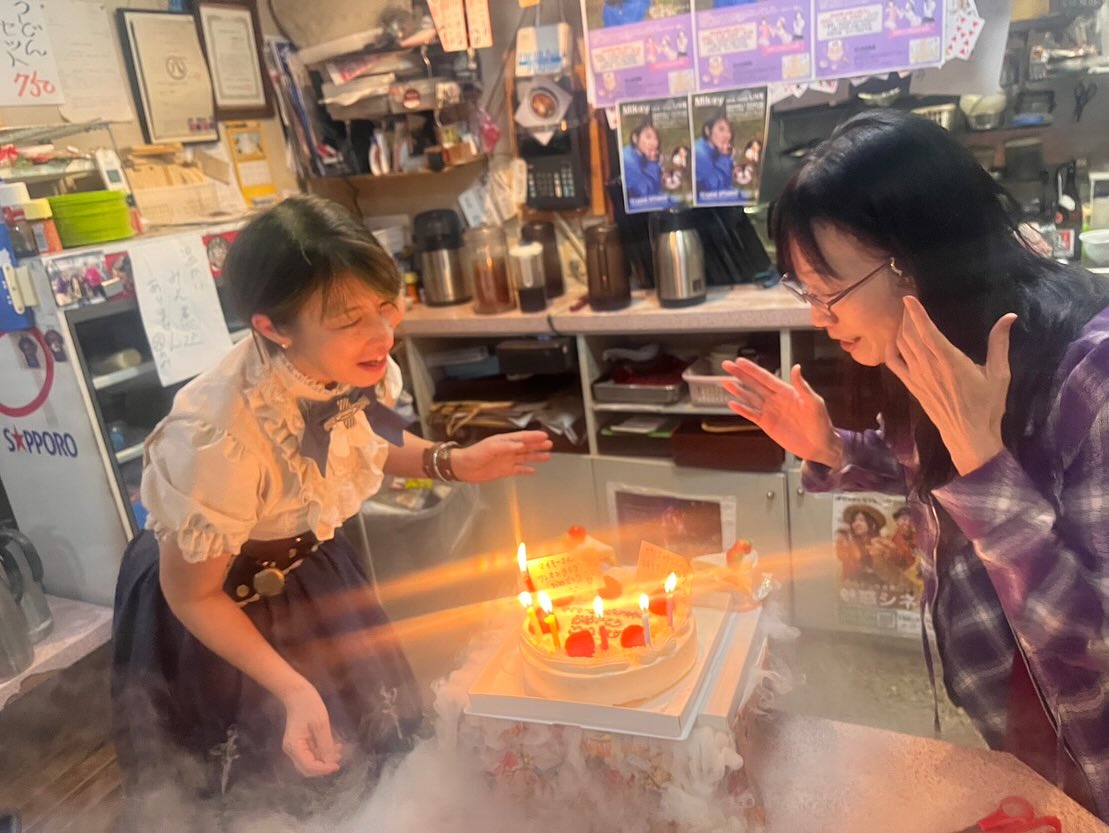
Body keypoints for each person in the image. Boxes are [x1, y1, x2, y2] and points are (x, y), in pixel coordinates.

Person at [111, 195, 553, 826]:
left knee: (367, 762)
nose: (382, 334)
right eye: (349, 319)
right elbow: (193, 595)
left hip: (309, 572)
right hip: (215, 601)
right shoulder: (217, 436)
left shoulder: (345, 362)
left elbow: (367, 438)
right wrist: (292, 687)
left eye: (385, 305)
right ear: (273, 328)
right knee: (262, 794)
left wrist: (453, 461)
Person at [721, 109, 1109, 820]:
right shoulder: (933, 345)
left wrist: (985, 464)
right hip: (1021, 726)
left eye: (829, 291)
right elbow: (930, 475)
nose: (818, 317)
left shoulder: (1091, 377)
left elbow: (1094, 639)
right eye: (805, 292)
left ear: (912, 260)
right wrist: (834, 450)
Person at [695, 112, 735, 194]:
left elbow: (728, 184)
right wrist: (724, 157)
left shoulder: (716, 150)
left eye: (729, 131)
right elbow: (714, 188)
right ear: (707, 130)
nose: (726, 135)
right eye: (721, 129)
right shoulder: (699, 153)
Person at [623, 121, 663, 198]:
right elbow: (644, 193)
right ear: (635, 138)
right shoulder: (628, 160)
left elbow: (657, 190)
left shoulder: (643, 158)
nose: (653, 143)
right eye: (648, 137)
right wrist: (653, 163)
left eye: (656, 138)